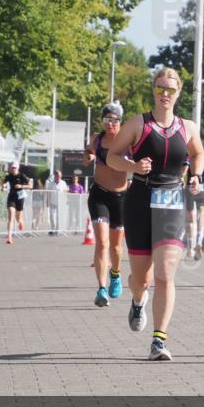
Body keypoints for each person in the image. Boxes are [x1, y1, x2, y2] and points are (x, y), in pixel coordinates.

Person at [107, 68, 204, 361]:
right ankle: (138, 299)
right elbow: (112, 156)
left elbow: (198, 153)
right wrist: (133, 167)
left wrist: (196, 175)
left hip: (173, 199)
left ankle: (159, 341)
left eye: (171, 90)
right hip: (139, 199)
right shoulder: (139, 124)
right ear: (154, 89)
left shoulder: (188, 127)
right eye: (160, 88)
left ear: (179, 93)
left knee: (165, 273)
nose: (165, 94)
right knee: (143, 279)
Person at [84, 103, 129, 307]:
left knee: (116, 247)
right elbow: (88, 153)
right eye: (107, 120)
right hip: (99, 194)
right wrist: (89, 156)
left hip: (120, 198)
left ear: (120, 121)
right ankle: (101, 289)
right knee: (102, 243)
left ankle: (115, 274)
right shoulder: (97, 139)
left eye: (114, 120)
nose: (110, 124)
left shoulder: (128, 141)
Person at [2, 162, 31, 243]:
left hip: (20, 197)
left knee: (18, 218)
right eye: (12, 167)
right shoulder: (9, 176)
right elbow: (2, 183)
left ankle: (21, 222)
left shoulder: (22, 175)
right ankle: (9, 237)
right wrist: (2, 187)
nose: (13, 169)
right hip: (11, 197)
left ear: (18, 168)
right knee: (11, 216)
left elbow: (30, 185)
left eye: (15, 167)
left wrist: (21, 186)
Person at [45, 169, 69, 234]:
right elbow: (48, 193)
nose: (59, 177)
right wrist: (47, 201)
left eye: (60, 176)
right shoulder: (51, 183)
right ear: (55, 176)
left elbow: (66, 190)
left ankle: (58, 230)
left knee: (59, 217)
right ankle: (53, 229)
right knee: (52, 217)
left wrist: (65, 194)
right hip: (52, 202)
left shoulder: (63, 183)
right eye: (57, 176)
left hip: (60, 202)